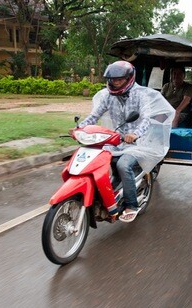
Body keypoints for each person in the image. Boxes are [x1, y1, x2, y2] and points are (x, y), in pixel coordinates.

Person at [71, 61, 175, 223]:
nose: (115, 82)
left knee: (123, 165)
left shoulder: (141, 95)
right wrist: (80, 128)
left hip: (140, 141)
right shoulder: (107, 95)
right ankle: (109, 198)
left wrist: (135, 133)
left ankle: (131, 205)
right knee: (102, 163)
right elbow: (94, 115)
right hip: (117, 140)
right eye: (113, 79)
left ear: (129, 78)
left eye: (119, 79)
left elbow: (146, 119)